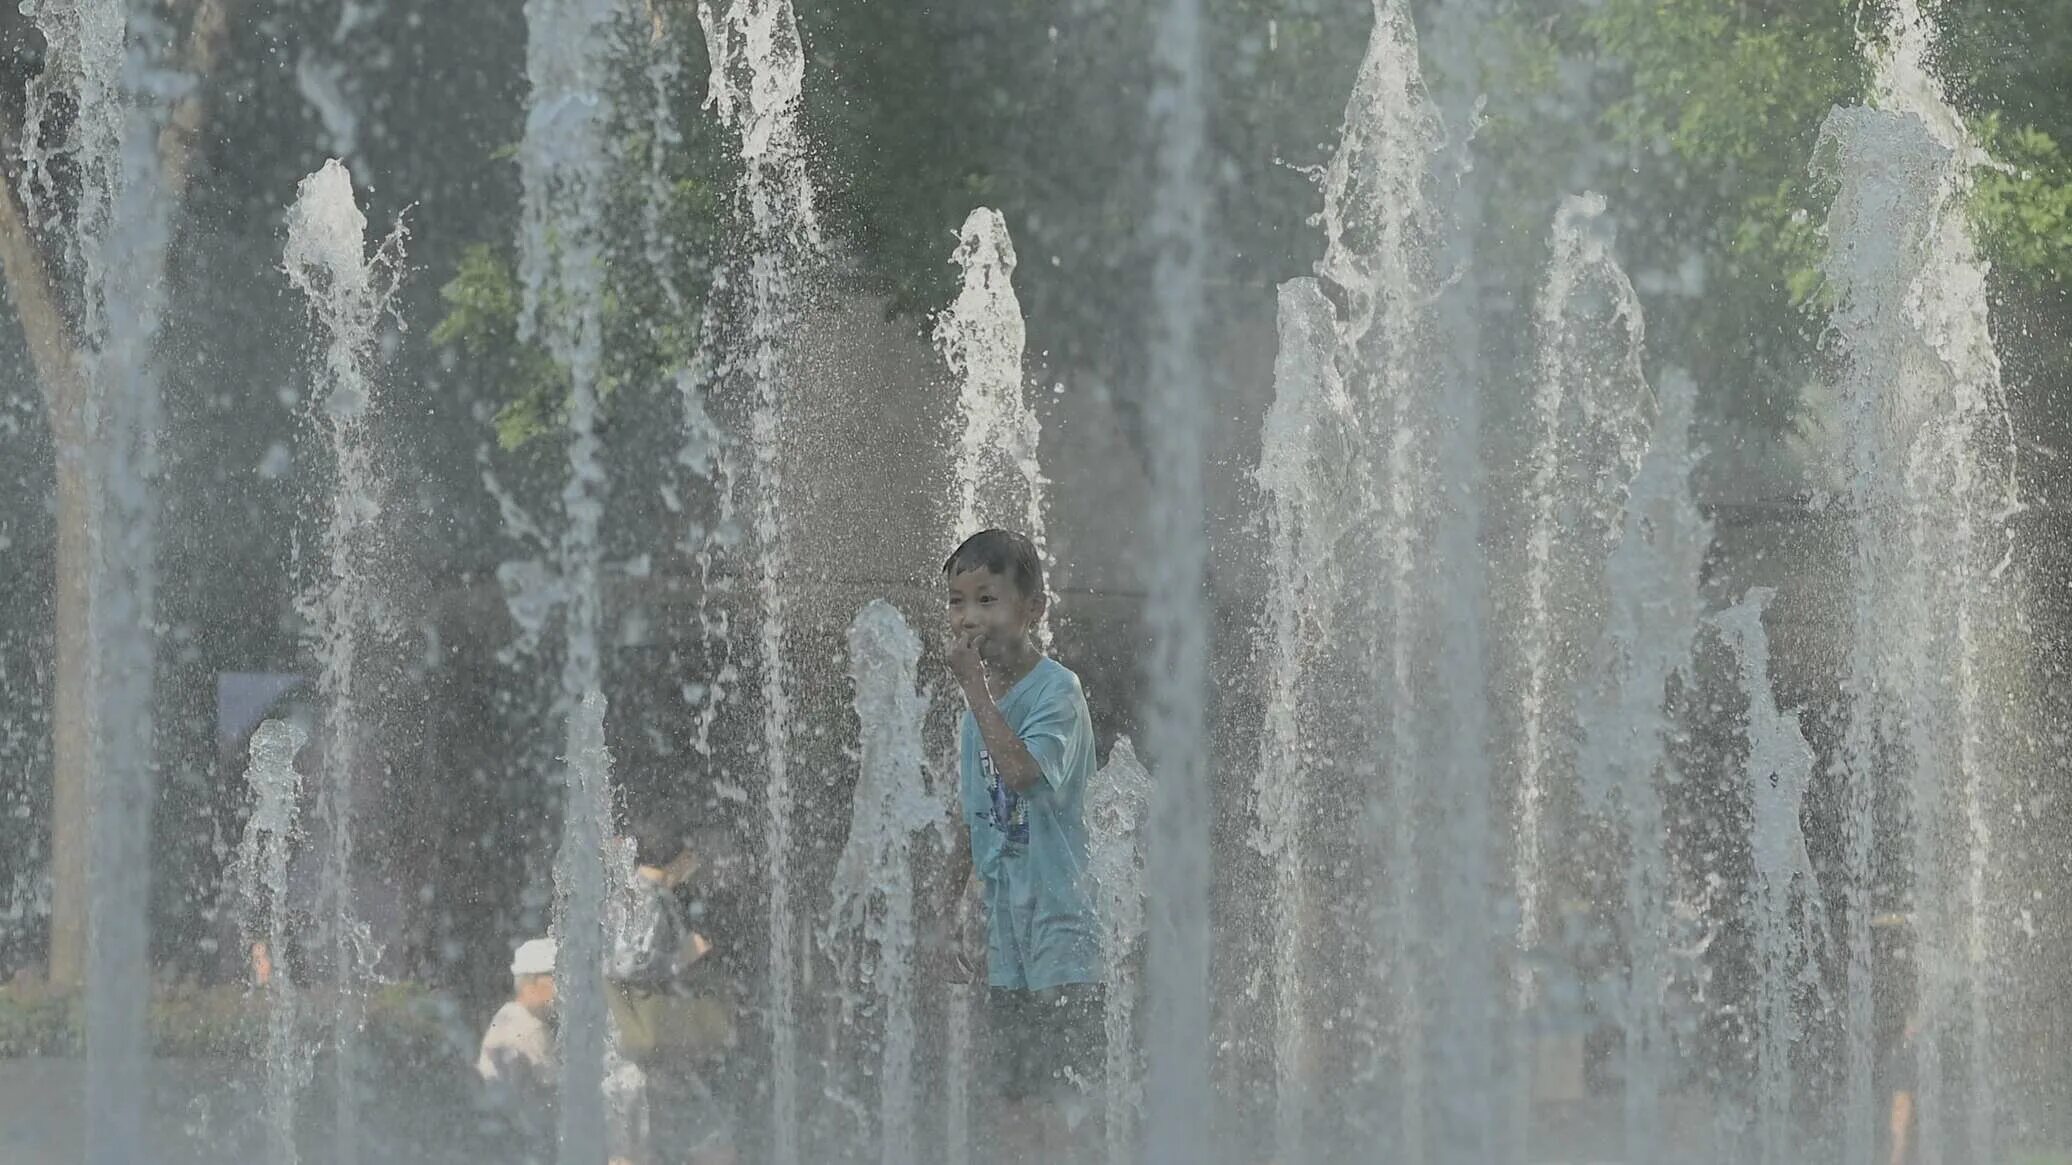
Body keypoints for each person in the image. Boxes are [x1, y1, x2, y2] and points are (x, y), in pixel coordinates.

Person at [939, 529, 1104, 1163]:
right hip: (1006, 930)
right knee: (1012, 1098)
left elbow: (1023, 773)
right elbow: (972, 811)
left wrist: (976, 691)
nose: (969, 617)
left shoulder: (1058, 691)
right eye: (958, 601)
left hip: (1061, 927)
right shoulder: (972, 716)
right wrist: (943, 905)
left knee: (1056, 1099)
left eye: (988, 599)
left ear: (1033, 609)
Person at [606, 811, 736, 1165]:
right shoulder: (650, 897)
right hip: (652, 1054)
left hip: (644, 1055)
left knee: (638, 1150)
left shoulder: (630, 895)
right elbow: (624, 964)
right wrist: (682, 957)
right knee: (709, 1146)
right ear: (681, 857)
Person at [477, 938, 559, 1152]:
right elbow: (555, 1089)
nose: (562, 986)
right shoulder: (526, 1029)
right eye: (554, 978)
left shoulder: (508, 1015)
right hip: (525, 1143)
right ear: (531, 983)